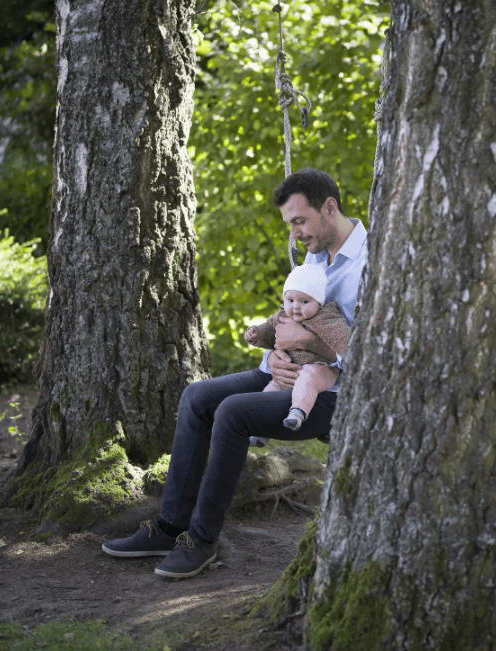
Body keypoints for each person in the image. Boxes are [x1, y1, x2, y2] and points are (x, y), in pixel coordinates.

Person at [101, 168, 367, 579]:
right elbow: (292, 314)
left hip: (330, 394)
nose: (295, 233)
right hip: (284, 375)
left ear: (329, 208)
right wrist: (275, 353)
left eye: (300, 220)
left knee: (232, 411)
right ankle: (170, 526)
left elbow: (371, 355)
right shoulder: (314, 253)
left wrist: (312, 347)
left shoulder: (371, 264)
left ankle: (202, 540)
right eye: (290, 224)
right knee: (197, 397)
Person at [245, 264, 350, 434]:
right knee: (270, 391)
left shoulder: (325, 317)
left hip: (320, 368)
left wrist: (346, 347)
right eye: (290, 300)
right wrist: (257, 334)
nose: (295, 306)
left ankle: (298, 412)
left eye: (304, 301)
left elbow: (342, 339)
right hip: (290, 370)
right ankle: (261, 431)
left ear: (318, 302)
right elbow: (270, 331)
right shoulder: (282, 315)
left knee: (308, 377)